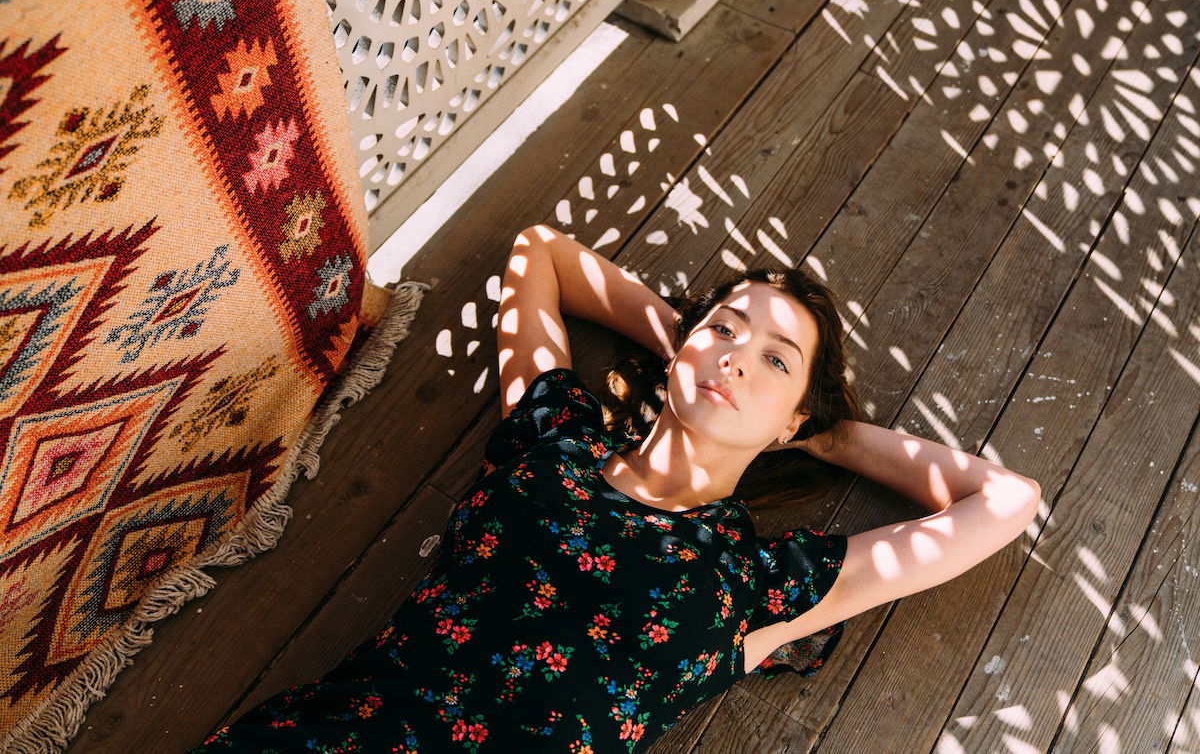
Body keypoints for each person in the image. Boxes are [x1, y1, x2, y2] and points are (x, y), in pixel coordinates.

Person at [188, 224, 1041, 753]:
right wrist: (694, 343)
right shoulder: (556, 437)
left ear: (794, 419)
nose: (738, 354)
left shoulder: (757, 584)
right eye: (726, 330)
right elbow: (541, 253)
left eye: (774, 359)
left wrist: (814, 426)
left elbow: (1005, 500)